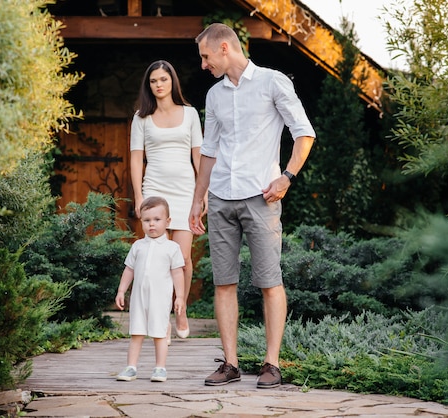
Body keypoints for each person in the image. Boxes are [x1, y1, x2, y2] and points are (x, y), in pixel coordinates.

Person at [188, 23, 316, 388]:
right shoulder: (214, 96)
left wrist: (287, 177)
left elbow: (304, 133)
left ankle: (271, 364)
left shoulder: (273, 82)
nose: (203, 64)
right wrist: (199, 200)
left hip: (262, 197)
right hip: (222, 198)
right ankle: (230, 364)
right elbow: (209, 151)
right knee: (223, 282)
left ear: (225, 48)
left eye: (205, 56)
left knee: (269, 281)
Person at [130, 59, 206, 339]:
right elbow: (136, 159)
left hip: (186, 191)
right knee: (157, 256)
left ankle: (181, 307)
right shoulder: (141, 118)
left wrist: (203, 193)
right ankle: (160, 316)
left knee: (183, 257)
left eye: (163, 79)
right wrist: (139, 197)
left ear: (172, 81)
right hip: (154, 191)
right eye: (153, 81)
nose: (158, 85)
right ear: (148, 86)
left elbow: (199, 156)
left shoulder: (190, 114)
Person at [115, 196, 186, 382]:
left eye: (157, 220)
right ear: (141, 222)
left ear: (168, 221)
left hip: (160, 299)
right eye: (147, 220)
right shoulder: (138, 246)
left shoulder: (172, 248)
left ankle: (160, 368)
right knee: (136, 331)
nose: (151, 225)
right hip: (139, 298)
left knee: (159, 332)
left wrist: (180, 297)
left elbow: (178, 274)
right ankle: (131, 367)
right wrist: (122, 290)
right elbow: (129, 269)